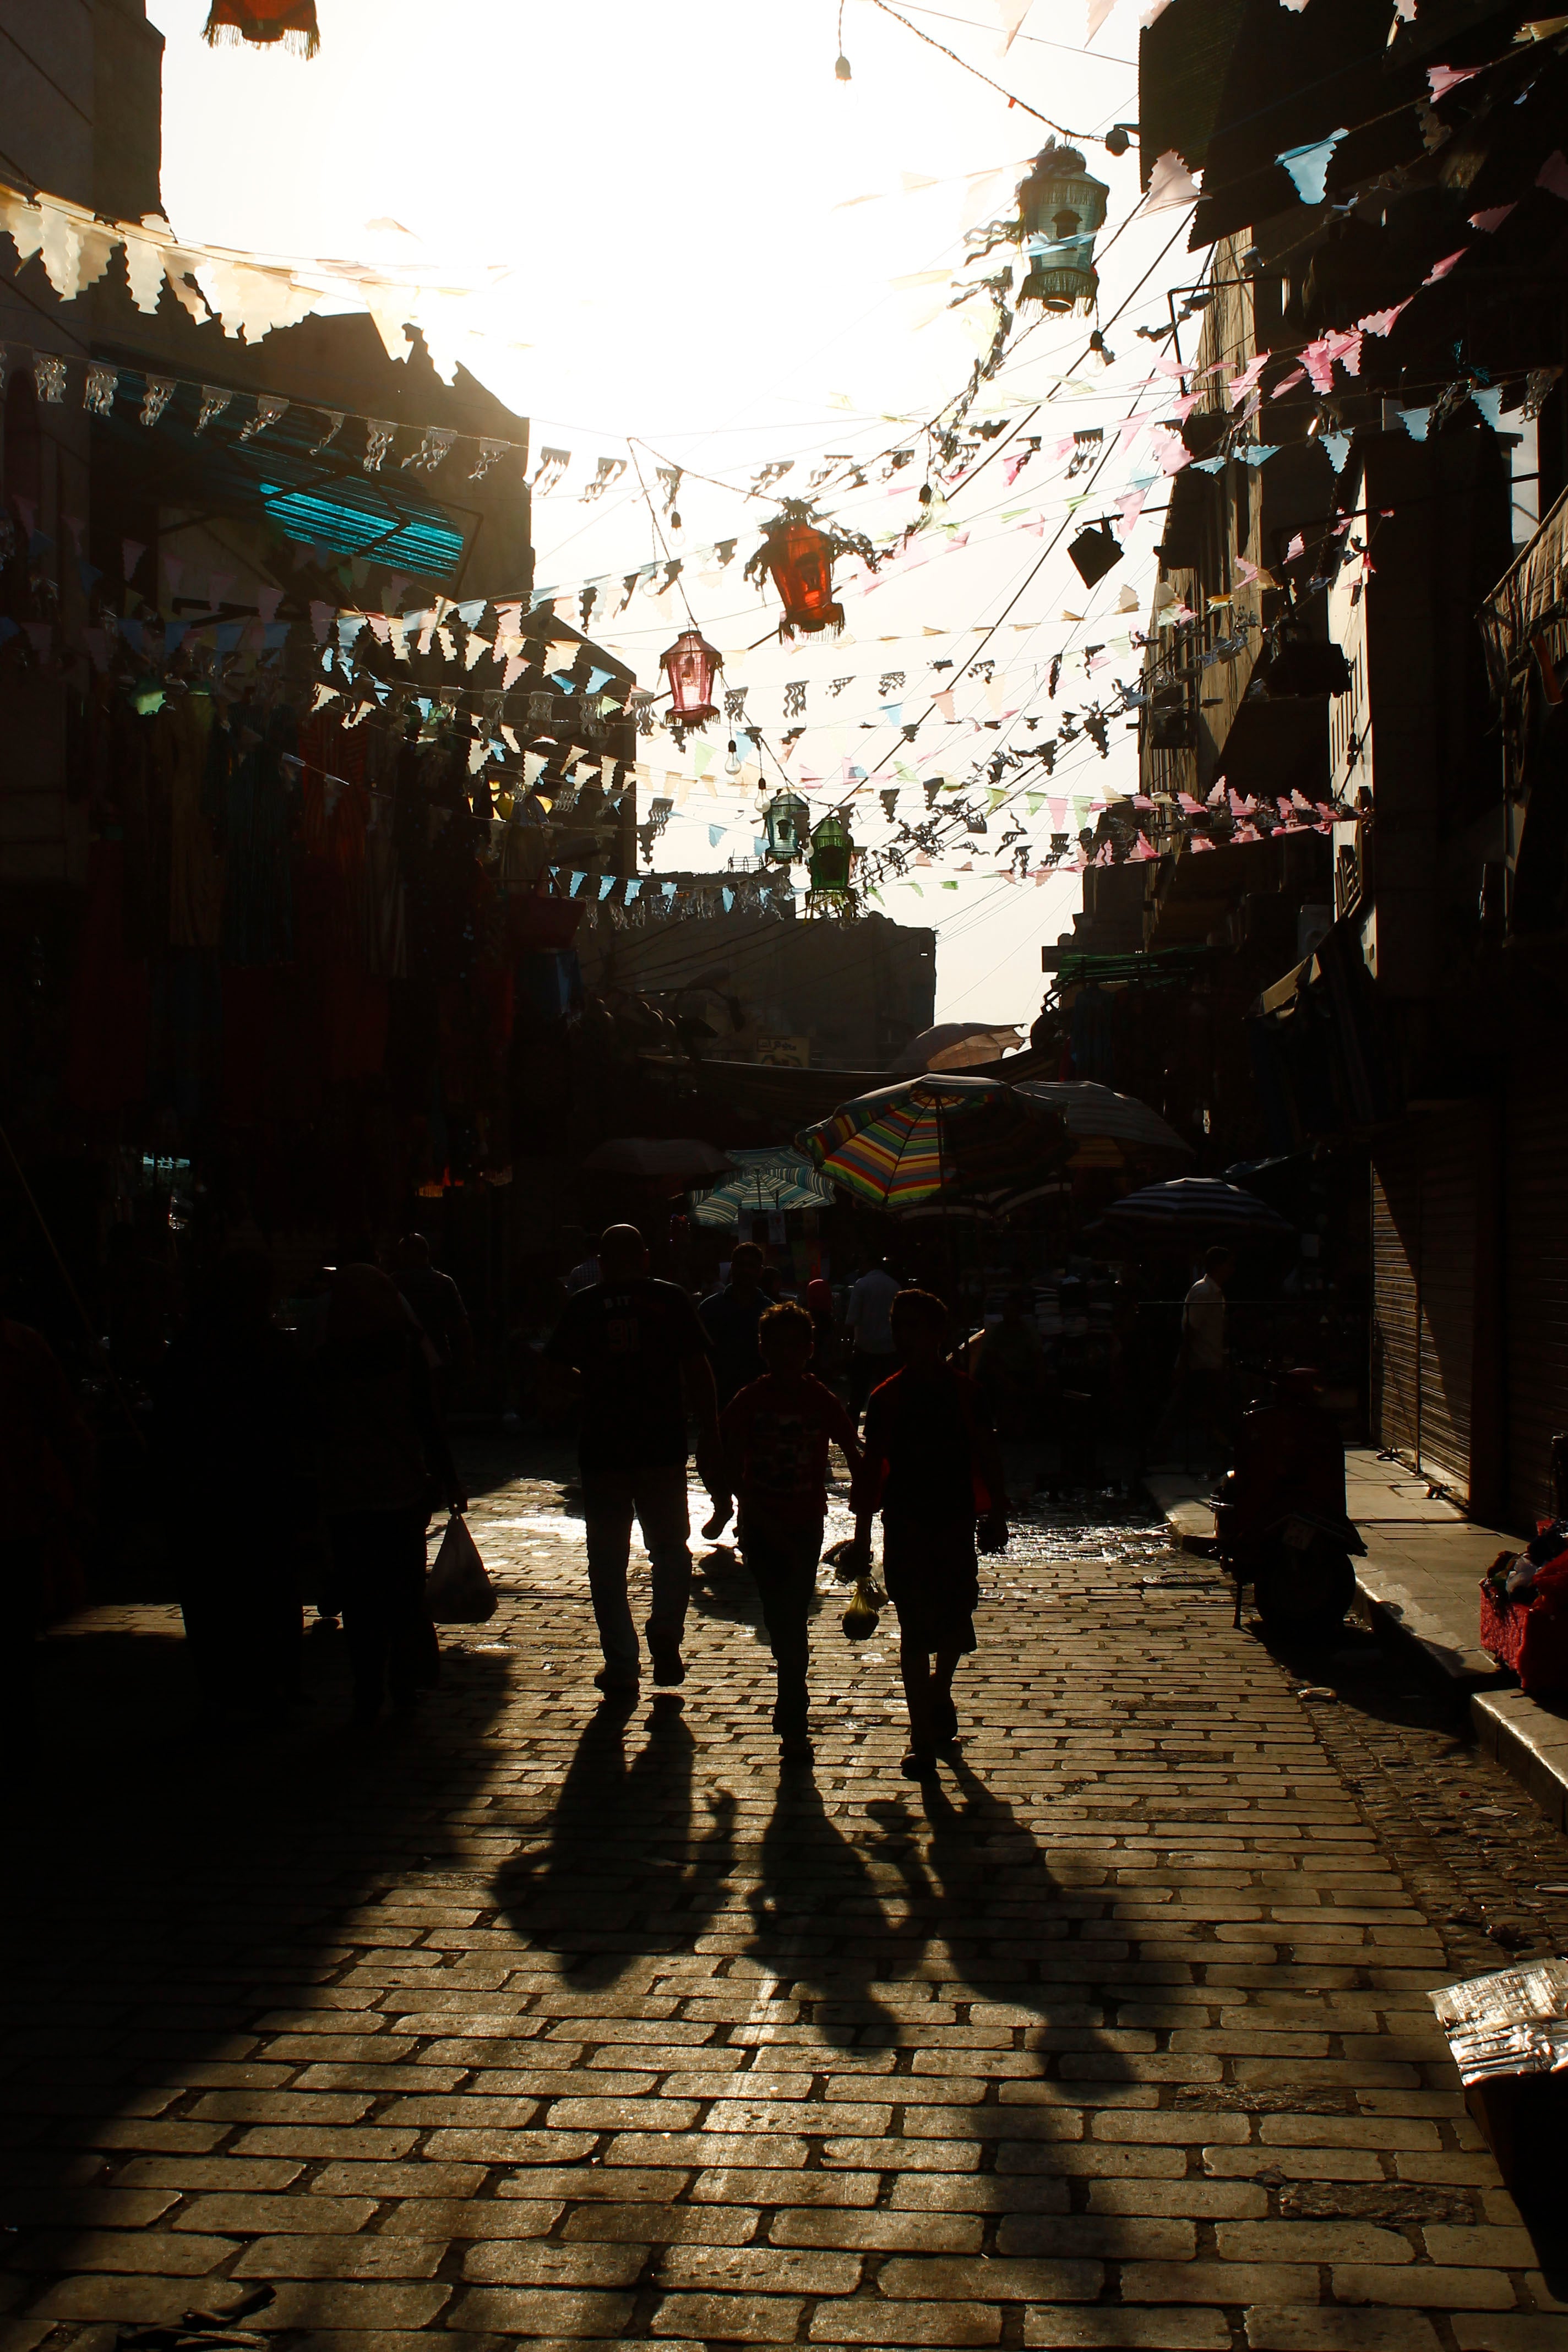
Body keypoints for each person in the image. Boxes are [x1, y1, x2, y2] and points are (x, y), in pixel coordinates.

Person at [542, 1222, 722, 1695]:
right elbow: (698, 1368)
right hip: (660, 1442)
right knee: (668, 1547)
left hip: (603, 1447)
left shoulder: (583, 1306)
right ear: (644, 1257)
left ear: (601, 1261)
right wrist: (711, 1427)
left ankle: (621, 1663)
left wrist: (596, 1387)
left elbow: (555, 1371)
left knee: (606, 1560)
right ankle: (665, 1626)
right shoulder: (669, 1298)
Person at [850, 1287, 1008, 1780]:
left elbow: (987, 1453)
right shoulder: (885, 1397)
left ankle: (940, 1692)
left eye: (913, 1326)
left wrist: (998, 1513)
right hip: (906, 1525)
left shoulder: (967, 1394)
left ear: (938, 1333)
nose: (903, 1336)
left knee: (956, 1622)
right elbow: (873, 1470)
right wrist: (860, 1538)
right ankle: (920, 1739)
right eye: (899, 1326)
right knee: (916, 1631)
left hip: (955, 1523)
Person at [156, 1249, 314, 1709]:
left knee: (214, 1590)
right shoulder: (268, 1346)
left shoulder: (191, 1348)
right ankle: (274, 1680)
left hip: (204, 1489)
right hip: (260, 1487)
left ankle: (225, 1686)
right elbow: (299, 1414)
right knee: (269, 1584)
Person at [313, 1264, 465, 1726]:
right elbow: (429, 1423)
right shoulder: (405, 1352)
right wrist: (448, 1479)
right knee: (403, 1593)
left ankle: (366, 1690)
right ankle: (403, 1685)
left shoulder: (326, 1357)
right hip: (400, 1488)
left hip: (347, 1494)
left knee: (359, 1599)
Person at [715, 1301, 861, 1762]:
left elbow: (855, 1457)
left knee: (791, 1611)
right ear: (763, 1350)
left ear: (809, 1350)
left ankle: (793, 1703)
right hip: (758, 1526)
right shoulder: (750, 1400)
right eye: (776, 1346)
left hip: (804, 1524)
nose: (785, 1355)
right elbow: (723, 1460)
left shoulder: (821, 1399)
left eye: (794, 1347)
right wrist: (741, 1504)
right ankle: (791, 1688)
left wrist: (864, 1523)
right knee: (782, 1615)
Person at [0, 1309, 92, 1747]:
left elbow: (64, 1427)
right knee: (15, 1639)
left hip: (19, 1512)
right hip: (17, 1512)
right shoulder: (23, 1347)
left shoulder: (24, 1348)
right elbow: (66, 1427)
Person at [1157, 1244, 1235, 1467]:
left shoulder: (1213, 1292)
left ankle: (1214, 1447)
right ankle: (1163, 1448)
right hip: (1201, 1362)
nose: (1232, 1269)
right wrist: (1183, 1362)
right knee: (1191, 1405)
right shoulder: (1205, 1292)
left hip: (1207, 1360)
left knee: (1197, 1406)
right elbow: (1191, 1329)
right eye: (1229, 1264)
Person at [391, 1232, 473, 1395]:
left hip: (401, 1360)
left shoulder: (393, 1283)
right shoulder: (444, 1282)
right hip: (438, 1356)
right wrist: (467, 1359)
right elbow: (461, 1324)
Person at [699, 1239, 768, 1409]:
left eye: (751, 1266)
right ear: (732, 1267)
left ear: (760, 1271)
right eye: (741, 1265)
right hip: (719, 1400)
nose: (746, 1270)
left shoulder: (770, 1311)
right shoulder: (709, 1308)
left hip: (762, 1404)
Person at [846, 1255, 901, 1417]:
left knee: (858, 1393)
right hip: (888, 1346)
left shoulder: (862, 1284)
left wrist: (848, 1344)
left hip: (865, 1345)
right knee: (889, 1391)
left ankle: (851, 1431)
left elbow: (853, 1317)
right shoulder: (894, 1286)